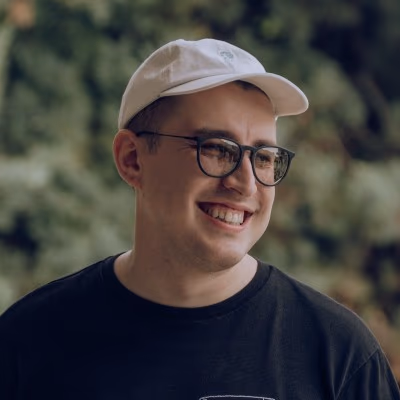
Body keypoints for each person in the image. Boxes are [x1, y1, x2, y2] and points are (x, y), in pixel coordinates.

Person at [0, 38, 399, 400]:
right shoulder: (28, 343)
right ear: (132, 159)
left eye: (263, 157)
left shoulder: (339, 356)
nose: (246, 183)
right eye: (217, 149)